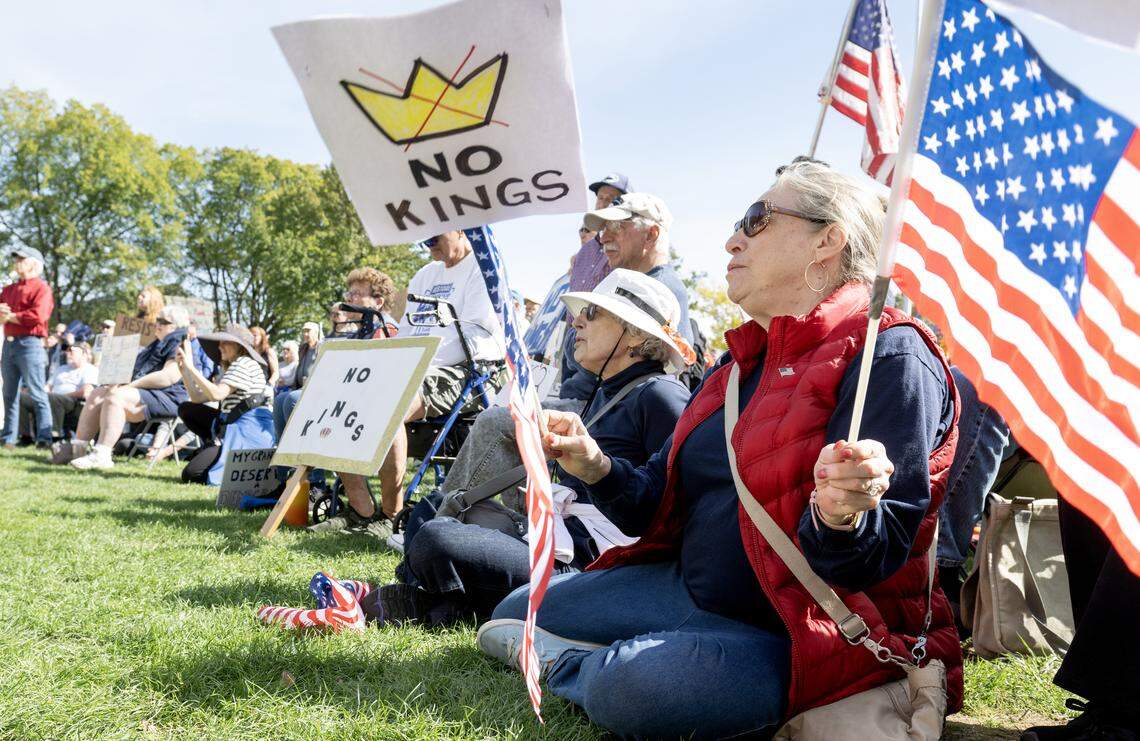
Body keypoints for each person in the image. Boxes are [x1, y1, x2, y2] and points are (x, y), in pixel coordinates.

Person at [479, 160, 962, 739]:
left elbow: (869, 561)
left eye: (756, 220)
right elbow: (651, 504)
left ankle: (587, 664)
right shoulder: (734, 367)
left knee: (634, 686)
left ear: (827, 240)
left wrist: (839, 516)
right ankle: (637, 650)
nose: (732, 238)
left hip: (803, 631)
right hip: (688, 590)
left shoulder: (888, 356)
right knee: (513, 613)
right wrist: (592, 462)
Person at [371, 269, 693, 626]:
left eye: (592, 313)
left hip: (587, 568)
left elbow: (675, 509)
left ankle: (444, 604)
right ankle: (454, 605)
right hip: (556, 541)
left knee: (436, 537)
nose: (576, 321)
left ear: (634, 334)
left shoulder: (663, 396)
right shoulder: (610, 389)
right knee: (429, 511)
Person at [312, 231, 506, 535]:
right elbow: (406, 332)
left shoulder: (483, 269)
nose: (428, 245)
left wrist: (414, 364)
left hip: (464, 370)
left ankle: (390, 514)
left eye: (434, 238)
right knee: (339, 398)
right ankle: (361, 508)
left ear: (459, 229)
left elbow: (475, 339)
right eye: (424, 240)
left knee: (388, 403)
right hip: (414, 365)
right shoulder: (425, 274)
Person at [561, 192, 694, 400]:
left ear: (651, 235)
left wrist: (577, 346)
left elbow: (580, 358)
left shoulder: (662, 293)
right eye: (603, 229)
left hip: (597, 413)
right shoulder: (621, 284)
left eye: (616, 227)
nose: (603, 237)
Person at [58, 305, 191, 470]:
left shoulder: (180, 342)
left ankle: (102, 454)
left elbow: (168, 377)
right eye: (157, 319)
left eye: (162, 321)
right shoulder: (157, 343)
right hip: (147, 392)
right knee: (97, 393)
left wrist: (128, 385)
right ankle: (77, 450)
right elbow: (132, 371)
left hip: (170, 398)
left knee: (116, 396)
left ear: (175, 326)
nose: (157, 324)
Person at [174, 324, 270, 484]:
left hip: (245, 434)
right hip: (231, 427)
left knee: (191, 474)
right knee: (187, 409)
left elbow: (216, 394)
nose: (220, 346)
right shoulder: (235, 365)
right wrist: (185, 372)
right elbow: (197, 398)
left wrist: (191, 367)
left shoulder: (244, 364)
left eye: (225, 342)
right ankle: (215, 448)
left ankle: (219, 454)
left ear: (239, 346)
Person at [1, 246, 55, 450]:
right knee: (9, 392)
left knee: (37, 392)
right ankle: (8, 438)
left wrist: (11, 316)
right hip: (10, 343)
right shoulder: (8, 290)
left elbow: (39, 316)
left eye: (22, 259)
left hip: (31, 343)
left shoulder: (42, 288)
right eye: (16, 259)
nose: (17, 262)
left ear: (34, 263)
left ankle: (45, 438)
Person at [20, 341, 97, 440]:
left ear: (84, 354)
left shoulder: (90, 370)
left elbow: (85, 391)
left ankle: (55, 435)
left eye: (72, 351)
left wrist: (61, 395)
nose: (68, 353)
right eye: (68, 351)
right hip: (52, 398)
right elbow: (47, 387)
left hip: (73, 402)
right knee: (22, 397)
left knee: (53, 398)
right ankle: (25, 436)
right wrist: (39, 394)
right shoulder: (61, 369)